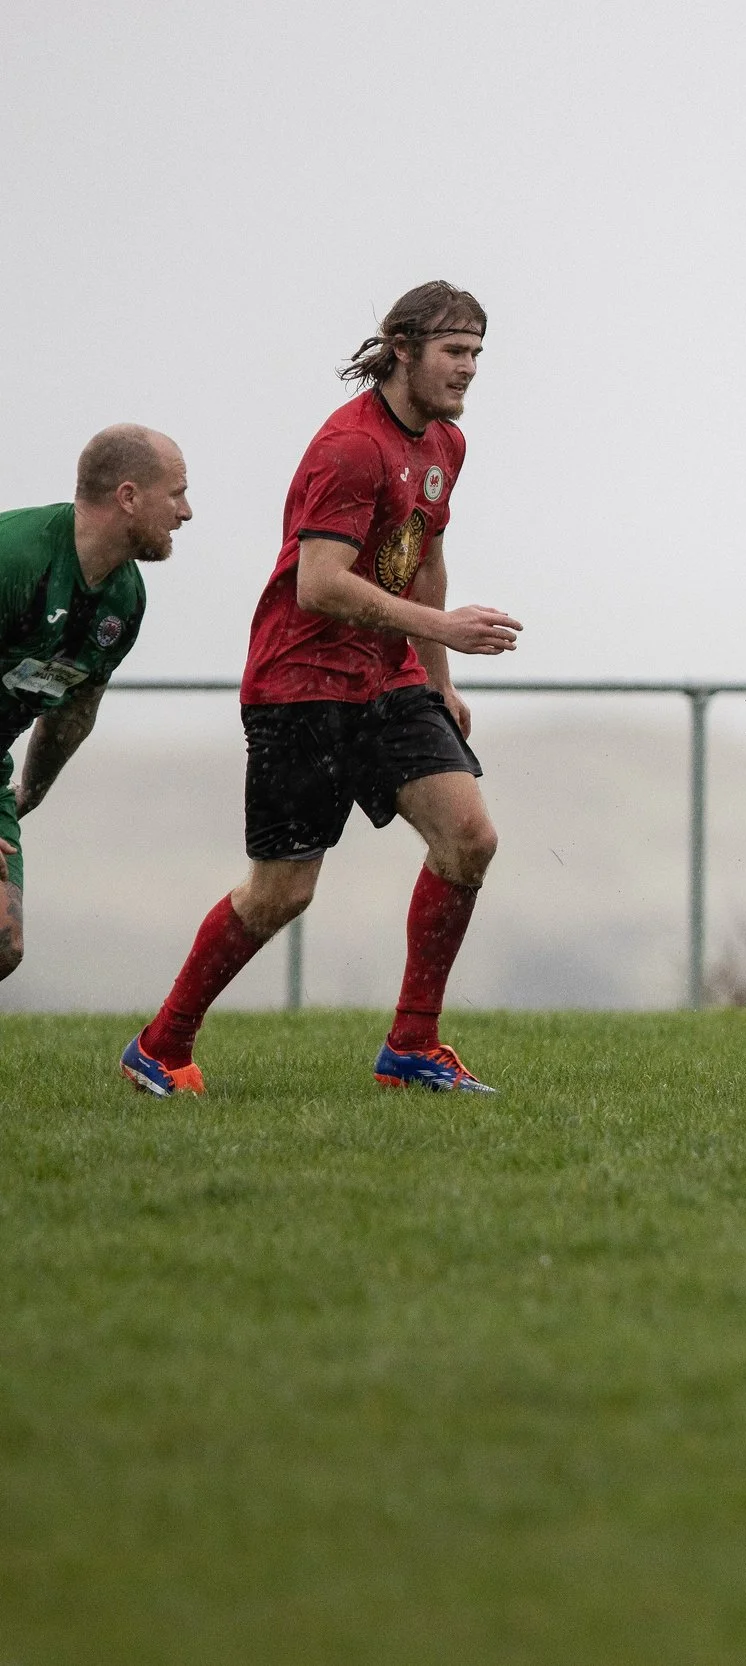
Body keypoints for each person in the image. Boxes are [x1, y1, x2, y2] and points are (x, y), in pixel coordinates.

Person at [123, 282, 522, 1096]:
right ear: (403, 349)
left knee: (469, 839)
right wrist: (444, 630)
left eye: (478, 352)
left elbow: (424, 554)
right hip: (300, 686)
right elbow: (318, 584)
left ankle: (412, 1049)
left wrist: (438, 680)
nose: (469, 368)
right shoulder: (350, 447)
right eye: (455, 351)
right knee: (282, 893)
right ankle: (161, 1047)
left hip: (390, 679)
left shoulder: (446, 443)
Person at [1, 427, 193, 981]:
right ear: (128, 497)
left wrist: (30, 791)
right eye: (176, 493)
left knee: (2, 943)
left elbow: (75, 709)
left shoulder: (124, 597)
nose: (186, 512)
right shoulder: (16, 557)